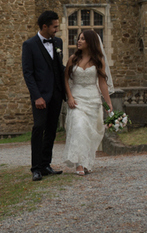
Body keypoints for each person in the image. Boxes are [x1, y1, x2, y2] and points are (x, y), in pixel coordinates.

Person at [22, 10, 66, 181]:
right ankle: (36, 168)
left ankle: (46, 164)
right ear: (45, 26)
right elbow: (28, 73)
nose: (57, 29)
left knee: (51, 130)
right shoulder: (29, 45)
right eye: (54, 26)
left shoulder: (58, 42)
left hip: (56, 94)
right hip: (40, 96)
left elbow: (59, 67)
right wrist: (36, 96)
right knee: (38, 128)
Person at [63, 29, 114, 176]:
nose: (79, 41)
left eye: (83, 39)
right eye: (79, 38)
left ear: (90, 42)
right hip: (77, 99)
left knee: (89, 133)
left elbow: (102, 83)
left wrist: (108, 103)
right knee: (79, 127)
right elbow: (66, 79)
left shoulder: (99, 61)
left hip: (93, 99)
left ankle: (86, 162)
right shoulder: (73, 59)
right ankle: (79, 164)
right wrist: (70, 97)